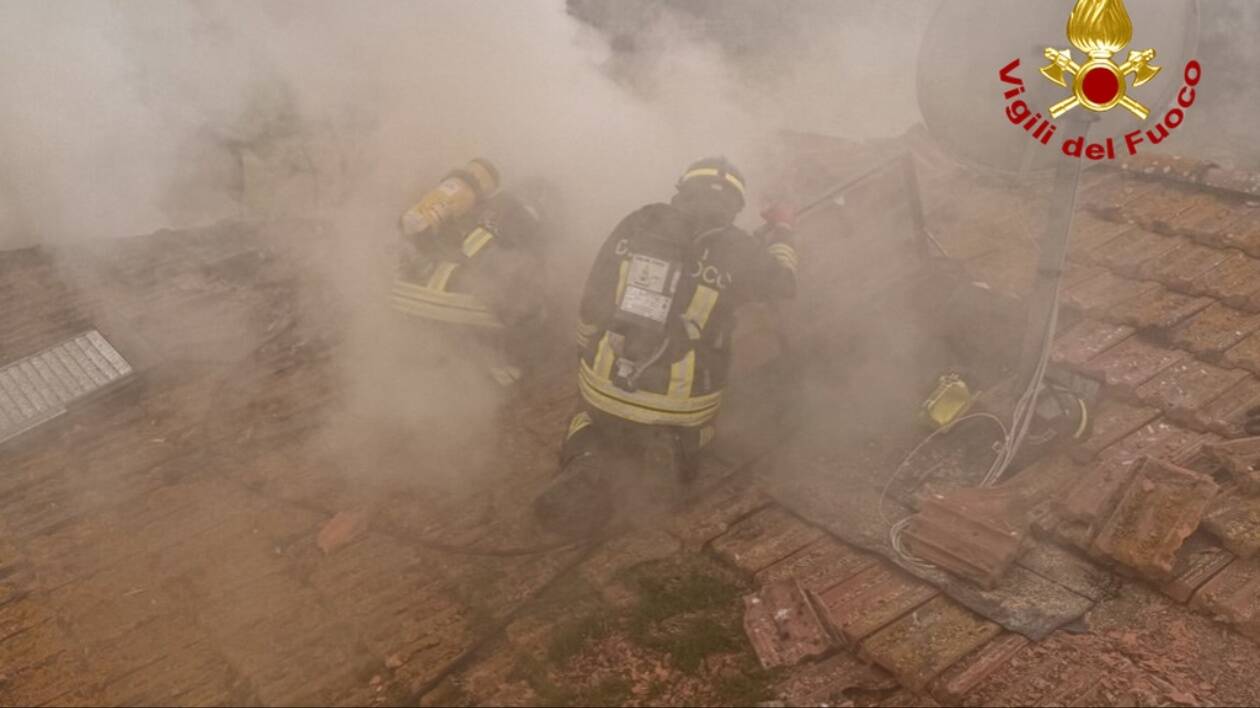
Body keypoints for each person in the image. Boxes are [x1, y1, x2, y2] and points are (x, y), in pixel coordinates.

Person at [535, 157, 799, 535]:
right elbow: (784, 283)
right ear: (735, 207)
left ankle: (587, 458)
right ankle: (677, 448)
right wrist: (783, 232)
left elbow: (593, 297)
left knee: (588, 417)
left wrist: (587, 357)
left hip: (605, 387)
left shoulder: (638, 223)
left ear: (681, 191)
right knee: (704, 424)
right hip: (683, 403)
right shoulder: (738, 248)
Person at [391, 159, 553, 387]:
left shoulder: (472, 204)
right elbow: (530, 272)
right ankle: (500, 365)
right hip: (457, 304)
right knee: (533, 306)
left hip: (407, 296)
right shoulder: (521, 215)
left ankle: (427, 352)